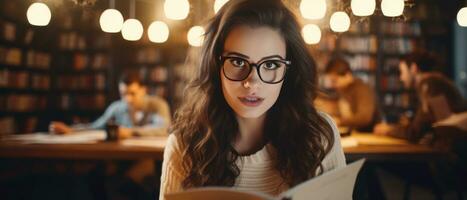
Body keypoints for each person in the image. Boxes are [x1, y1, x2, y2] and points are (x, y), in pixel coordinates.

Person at [159, 0, 346, 199]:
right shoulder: (184, 145)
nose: (252, 83)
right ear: (215, 66)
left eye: (271, 64)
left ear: (288, 71)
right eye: (238, 61)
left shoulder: (318, 136)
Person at [374, 51, 467, 144]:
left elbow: (417, 131)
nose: (401, 78)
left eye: (402, 72)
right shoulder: (436, 82)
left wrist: (388, 130)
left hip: (454, 151)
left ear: (413, 68)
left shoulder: (430, 84)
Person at [49, 72, 171, 138]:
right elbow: (96, 126)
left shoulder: (158, 105)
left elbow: (164, 129)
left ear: (143, 90)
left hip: (150, 158)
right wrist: (70, 130)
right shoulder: (117, 107)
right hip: (123, 156)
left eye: (132, 94)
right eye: (123, 94)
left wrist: (131, 132)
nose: (128, 99)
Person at [322, 56, 378, 132]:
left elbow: (365, 117)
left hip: (368, 134)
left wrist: (339, 121)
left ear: (347, 75)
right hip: (354, 133)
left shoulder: (362, 89)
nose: (332, 84)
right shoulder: (342, 89)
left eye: (334, 80)